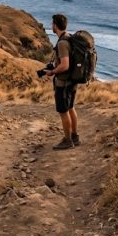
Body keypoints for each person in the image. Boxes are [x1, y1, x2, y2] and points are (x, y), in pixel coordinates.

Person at [44, 14, 80, 150]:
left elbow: (65, 65)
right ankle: (75, 136)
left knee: (63, 111)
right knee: (71, 107)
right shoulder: (69, 38)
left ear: (55, 25)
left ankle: (67, 140)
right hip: (72, 81)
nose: (51, 26)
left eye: (52, 23)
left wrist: (52, 72)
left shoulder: (62, 43)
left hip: (63, 83)